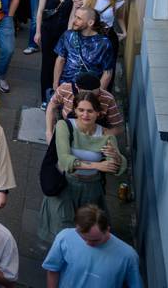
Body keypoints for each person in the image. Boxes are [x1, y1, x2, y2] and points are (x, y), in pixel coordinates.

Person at [39, 92, 127, 244]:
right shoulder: (64, 126)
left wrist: (117, 158)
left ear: (98, 113)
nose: (85, 115)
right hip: (65, 185)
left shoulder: (106, 135)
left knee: (87, 234)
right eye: (81, 110)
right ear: (75, 110)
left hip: (91, 189)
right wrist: (98, 165)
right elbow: (66, 160)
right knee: (63, 231)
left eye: (90, 111)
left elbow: (116, 167)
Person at [42, 205, 143, 288]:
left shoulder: (128, 256)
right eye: (83, 238)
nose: (88, 244)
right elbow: (53, 270)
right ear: (77, 228)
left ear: (107, 229)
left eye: (95, 240)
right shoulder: (65, 238)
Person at [52, 7, 114, 98]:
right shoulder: (68, 35)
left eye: (79, 18)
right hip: (66, 86)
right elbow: (60, 59)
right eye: (75, 17)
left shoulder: (104, 43)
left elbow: (107, 73)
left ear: (90, 23)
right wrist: (55, 83)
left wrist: (97, 95)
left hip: (89, 91)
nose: (74, 21)